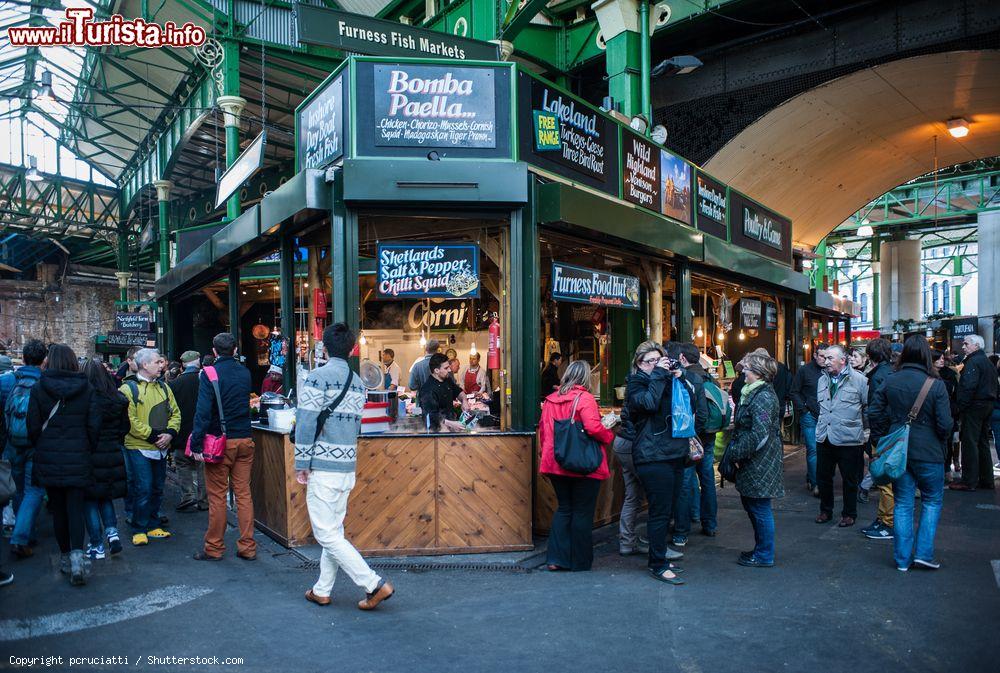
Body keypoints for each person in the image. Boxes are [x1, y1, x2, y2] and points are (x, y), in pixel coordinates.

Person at [295, 323, 394, 610]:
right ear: (352, 349)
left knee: (325, 534)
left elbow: (305, 423)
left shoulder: (317, 377)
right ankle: (322, 590)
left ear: (324, 348)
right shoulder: (358, 382)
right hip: (346, 466)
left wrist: (302, 462)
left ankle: (373, 584)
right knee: (334, 531)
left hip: (323, 467)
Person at [869, 335, 952, 571]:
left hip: (898, 450)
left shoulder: (891, 380)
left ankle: (902, 559)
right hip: (930, 451)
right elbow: (945, 424)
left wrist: (883, 436)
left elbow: (874, 412)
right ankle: (924, 554)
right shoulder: (936, 385)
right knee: (932, 501)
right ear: (927, 356)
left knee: (903, 503)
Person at [27, 344, 100, 585]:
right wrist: (86, 445)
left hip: (49, 456)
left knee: (58, 510)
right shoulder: (86, 388)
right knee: (75, 508)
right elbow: (94, 425)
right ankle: (79, 558)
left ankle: (67, 558)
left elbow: (32, 425)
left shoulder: (39, 388)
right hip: (78, 455)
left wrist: (44, 443)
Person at [538, 360, 615, 572]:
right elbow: (593, 428)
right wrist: (607, 434)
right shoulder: (585, 398)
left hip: (556, 463)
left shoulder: (551, 400)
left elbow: (544, 433)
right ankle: (579, 561)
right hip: (583, 464)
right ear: (586, 377)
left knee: (564, 509)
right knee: (582, 512)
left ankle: (556, 558)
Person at [626, 341, 689, 585]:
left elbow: (688, 407)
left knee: (670, 509)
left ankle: (659, 555)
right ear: (639, 364)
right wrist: (660, 374)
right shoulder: (636, 384)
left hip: (675, 452)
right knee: (659, 512)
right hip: (652, 456)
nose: (655, 364)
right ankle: (657, 564)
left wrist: (679, 378)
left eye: (658, 360)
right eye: (650, 361)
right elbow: (648, 404)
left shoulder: (666, 380)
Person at [190, 332, 255, 561]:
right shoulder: (245, 372)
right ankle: (247, 547)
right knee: (244, 494)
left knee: (217, 497)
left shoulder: (209, 373)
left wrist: (196, 443)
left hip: (220, 441)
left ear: (214, 351)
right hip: (245, 439)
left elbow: (203, 412)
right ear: (235, 350)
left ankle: (214, 548)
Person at [725, 352, 784, 567]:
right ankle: (761, 550)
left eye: (747, 369)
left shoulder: (763, 397)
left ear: (758, 373)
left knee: (759, 507)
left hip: (760, 461)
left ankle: (764, 555)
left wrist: (736, 452)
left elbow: (760, 433)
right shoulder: (753, 392)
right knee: (753, 504)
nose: (743, 372)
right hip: (755, 460)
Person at [120, 348, 179, 546]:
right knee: (142, 488)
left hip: (161, 448)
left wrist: (170, 433)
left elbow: (176, 413)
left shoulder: (164, 388)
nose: (162, 365)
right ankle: (139, 527)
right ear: (145, 365)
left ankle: (153, 525)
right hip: (138, 446)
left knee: (156, 488)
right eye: (157, 362)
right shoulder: (128, 389)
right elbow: (129, 419)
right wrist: (154, 436)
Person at [815, 344, 869, 527]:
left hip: (849, 439)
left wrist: (865, 433)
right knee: (823, 477)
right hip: (825, 436)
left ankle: (849, 513)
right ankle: (825, 510)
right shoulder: (822, 380)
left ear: (842, 360)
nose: (826, 361)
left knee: (850, 479)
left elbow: (866, 407)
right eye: (825, 358)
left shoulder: (859, 380)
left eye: (830, 358)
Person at [3, 339, 46, 559]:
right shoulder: (45, 383)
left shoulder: (8, 381)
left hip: (13, 444)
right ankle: (21, 536)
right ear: (43, 360)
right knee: (35, 490)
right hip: (37, 445)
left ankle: (25, 533)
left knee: (18, 490)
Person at [82, 359, 129, 560]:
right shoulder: (117, 399)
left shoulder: (84, 400)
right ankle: (112, 533)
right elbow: (125, 428)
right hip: (112, 452)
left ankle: (96, 544)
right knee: (106, 496)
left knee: (90, 499)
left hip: (90, 454)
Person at [672, 342, 714, 546]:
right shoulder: (705, 377)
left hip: (687, 441)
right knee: (707, 480)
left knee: (685, 484)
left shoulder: (688, 379)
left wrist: (690, 435)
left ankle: (681, 531)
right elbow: (704, 414)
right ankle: (710, 524)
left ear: (681, 359)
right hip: (705, 439)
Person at [950, 334, 998, 491]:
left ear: (976, 346)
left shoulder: (973, 362)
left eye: (966, 344)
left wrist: (960, 407)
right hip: (987, 405)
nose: (963, 347)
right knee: (982, 442)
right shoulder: (986, 362)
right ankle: (986, 479)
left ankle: (969, 480)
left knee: (970, 442)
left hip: (974, 406)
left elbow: (968, 386)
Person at [861, 338, 895, 541]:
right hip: (888, 432)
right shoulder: (889, 372)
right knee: (884, 480)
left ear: (870, 355)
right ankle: (883, 518)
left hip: (882, 434)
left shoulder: (878, 377)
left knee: (884, 480)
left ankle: (887, 522)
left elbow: (878, 409)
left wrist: (875, 435)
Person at [169, 350, 206, 513]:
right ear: (198, 361)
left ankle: (188, 496)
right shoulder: (204, 380)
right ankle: (204, 500)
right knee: (203, 466)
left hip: (182, 430)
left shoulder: (174, 384)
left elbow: (169, 410)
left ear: (183, 364)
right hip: (202, 430)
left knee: (182, 463)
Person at [791, 343, 828, 495]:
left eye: (827, 357)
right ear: (814, 355)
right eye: (821, 356)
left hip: (827, 416)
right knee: (813, 450)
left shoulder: (830, 370)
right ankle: (816, 484)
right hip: (810, 416)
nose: (824, 360)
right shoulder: (804, 370)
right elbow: (794, 391)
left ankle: (812, 477)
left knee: (824, 451)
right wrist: (804, 410)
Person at [418, 353, 470, 433]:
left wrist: (464, 401)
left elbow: (458, 391)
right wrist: (452, 424)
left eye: (449, 367)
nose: (449, 370)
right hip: (437, 432)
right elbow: (431, 416)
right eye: (446, 368)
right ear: (436, 370)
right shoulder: (427, 389)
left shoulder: (447, 380)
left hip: (451, 427)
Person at [935, 351, 961, 480]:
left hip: (949, 411)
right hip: (936, 413)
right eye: (938, 359)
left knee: (948, 442)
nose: (942, 361)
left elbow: (956, 394)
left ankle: (947, 468)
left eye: (942, 358)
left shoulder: (950, 374)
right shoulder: (927, 373)